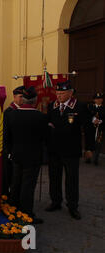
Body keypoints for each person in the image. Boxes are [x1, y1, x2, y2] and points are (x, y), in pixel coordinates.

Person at [45, 81, 89, 220]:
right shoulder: (52, 106)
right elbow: (48, 125)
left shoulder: (79, 106)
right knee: (54, 177)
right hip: (54, 150)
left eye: (62, 93)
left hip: (71, 151)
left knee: (71, 179)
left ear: (70, 93)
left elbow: (88, 128)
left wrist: (89, 148)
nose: (59, 95)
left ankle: (72, 206)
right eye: (57, 93)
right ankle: (56, 201)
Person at [4, 86, 46, 224]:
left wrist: (10, 152)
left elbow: (7, 137)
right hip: (33, 157)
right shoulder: (40, 117)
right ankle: (26, 214)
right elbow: (44, 138)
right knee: (27, 186)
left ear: (24, 100)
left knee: (16, 183)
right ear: (35, 101)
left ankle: (13, 209)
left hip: (16, 155)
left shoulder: (12, 115)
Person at [2, 86, 25, 196]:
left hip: (21, 149)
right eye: (20, 97)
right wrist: (8, 151)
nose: (22, 99)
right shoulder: (9, 112)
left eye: (24, 97)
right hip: (11, 149)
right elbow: (5, 134)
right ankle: (8, 196)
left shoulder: (24, 110)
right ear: (14, 97)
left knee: (19, 176)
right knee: (9, 175)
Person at [85, 93, 104, 166]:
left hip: (99, 130)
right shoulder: (90, 107)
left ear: (102, 100)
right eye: (97, 99)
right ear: (94, 100)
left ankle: (96, 159)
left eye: (100, 99)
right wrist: (93, 119)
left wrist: (100, 121)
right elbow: (86, 116)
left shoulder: (103, 108)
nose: (98, 100)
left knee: (98, 143)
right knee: (89, 142)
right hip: (90, 128)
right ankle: (88, 158)